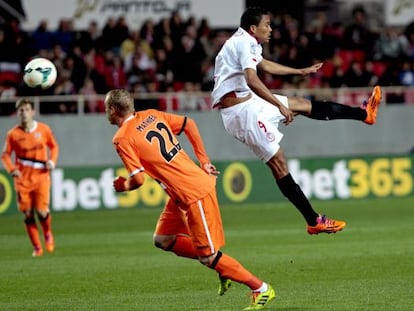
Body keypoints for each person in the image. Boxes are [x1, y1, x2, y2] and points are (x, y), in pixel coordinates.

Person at [211, 7, 382, 235]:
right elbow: (252, 79)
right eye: (267, 25)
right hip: (241, 114)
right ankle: (313, 220)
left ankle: (364, 115)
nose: (270, 29)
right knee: (278, 162)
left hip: (248, 103)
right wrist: (278, 105)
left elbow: (263, 65)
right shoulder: (242, 43)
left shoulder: (247, 41)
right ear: (254, 28)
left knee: (301, 103)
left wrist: (299, 71)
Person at [105, 89, 275, 310]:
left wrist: (122, 186)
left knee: (208, 257)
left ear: (113, 110)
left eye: (106, 108)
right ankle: (221, 266)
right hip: (180, 193)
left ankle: (260, 288)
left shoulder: (122, 138)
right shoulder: (151, 115)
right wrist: (203, 160)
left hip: (193, 193)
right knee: (163, 239)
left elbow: (137, 180)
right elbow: (189, 124)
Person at [1, 98, 59, 257]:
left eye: (27, 110)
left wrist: (52, 162)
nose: (24, 113)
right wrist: (12, 169)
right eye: (21, 110)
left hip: (41, 177)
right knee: (27, 213)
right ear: (17, 113)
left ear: (33, 112)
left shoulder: (44, 130)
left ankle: (47, 233)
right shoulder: (13, 134)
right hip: (22, 180)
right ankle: (37, 247)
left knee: (42, 211)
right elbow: (5, 155)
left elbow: (54, 146)